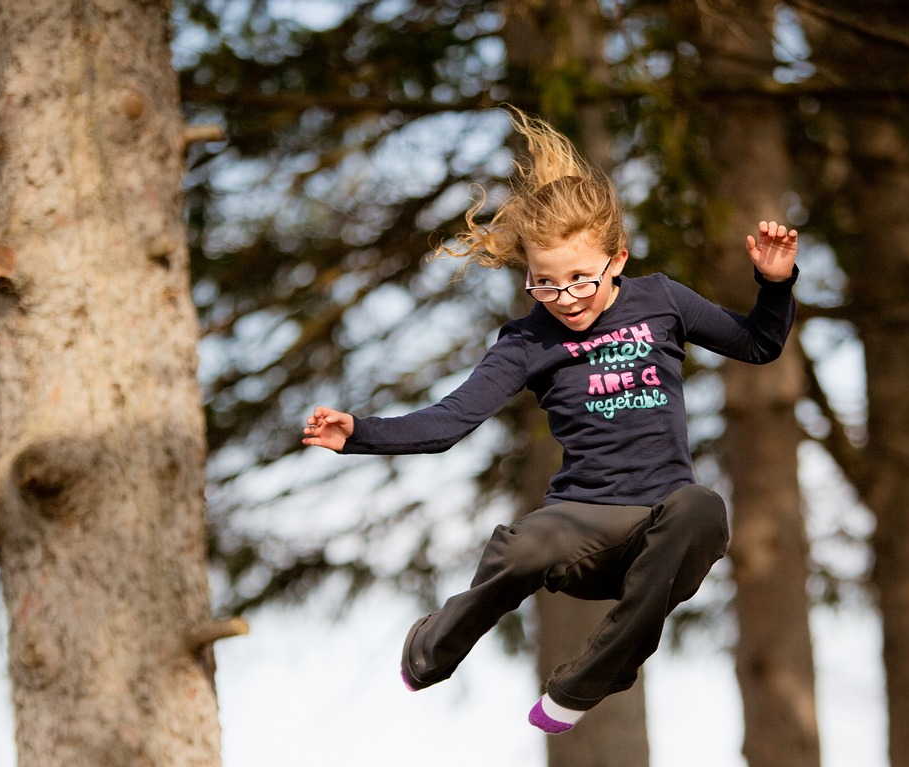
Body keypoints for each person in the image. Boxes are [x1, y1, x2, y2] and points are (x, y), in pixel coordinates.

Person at [301, 107, 799, 734]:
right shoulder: (528, 341)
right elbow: (450, 421)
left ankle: (583, 684)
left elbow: (758, 344)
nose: (564, 299)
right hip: (582, 529)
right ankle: (432, 647)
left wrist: (773, 285)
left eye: (579, 280)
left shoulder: (662, 301)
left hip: (662, 530)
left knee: (703, 508)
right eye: (544, 284)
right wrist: (361, 433)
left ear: (616, 260)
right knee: (525, 543)